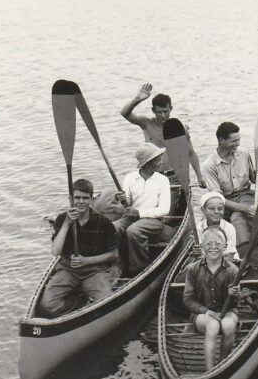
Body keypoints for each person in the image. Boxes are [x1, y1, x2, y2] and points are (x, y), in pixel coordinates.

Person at [40, 179, 119, 317]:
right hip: (67, 270)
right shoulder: (61, 219)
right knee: (47, 305)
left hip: (95, 271)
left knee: (105, 303)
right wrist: (67, 223)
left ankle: (88, 303)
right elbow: (55, 251)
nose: (81, 202)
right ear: (71, 199)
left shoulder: (103, 222)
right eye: (77, 198)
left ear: (91, 200)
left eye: (85, 198)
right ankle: (79, 304)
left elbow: (114, 255)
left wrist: (87, 261)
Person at [120, 83, 205, 210]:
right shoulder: (146, 123)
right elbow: (125, 113)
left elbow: (191, 153)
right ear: (153, 111)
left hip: (174, 177)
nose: (163, 115)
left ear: (171, 108)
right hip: (152, 175)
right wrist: (138, 99)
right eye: (159, 112)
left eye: (166, 111)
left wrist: (199, 176)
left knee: (167, 212)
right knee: (149, 207)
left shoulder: (179, 127)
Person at [181, 226, 240, 371]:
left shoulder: (233, 270)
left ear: (225, 247)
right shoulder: (193, 269)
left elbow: (236, 303)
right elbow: (188, 300)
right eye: (208, 244)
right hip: (202, 315)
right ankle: (210, 371)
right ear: (202, 247)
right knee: (213, 325)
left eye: (218, 244)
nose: (213, 248)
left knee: (228, 325)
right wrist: (208, 312)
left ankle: (223, 361)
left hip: (226, 311)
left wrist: (235, 294)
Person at [113, 143, 175, 276]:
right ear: (147, 163)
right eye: (157, 159)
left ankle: (138, 269)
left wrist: (140, 213)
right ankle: (119, 262)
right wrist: (122, 199)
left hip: (153, 219)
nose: (161, 161)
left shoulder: (163, 180)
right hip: (131, 217)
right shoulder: (130, 178)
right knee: (114, 228)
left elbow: (164, 209)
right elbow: (128, 204)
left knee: (133, 231)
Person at [201, 121, 258, 258]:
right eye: (234, 141)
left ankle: (246, 256)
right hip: (224, 201)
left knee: (237, 217)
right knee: (237, 214)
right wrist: (244, 208)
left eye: (239, 140)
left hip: (245, 195)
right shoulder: (209, 165)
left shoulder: (244, 154)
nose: (238, 144)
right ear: (222, 141)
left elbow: (253, 179)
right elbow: (218, 199)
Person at [194, 191, 238, 261]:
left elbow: (230, 254)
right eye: (211, 209)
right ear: (203, 210)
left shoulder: (229, 228)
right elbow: (200, 251)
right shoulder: (199, 228)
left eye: (220, 209)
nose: (216, 212)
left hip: (227, 262)